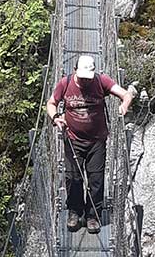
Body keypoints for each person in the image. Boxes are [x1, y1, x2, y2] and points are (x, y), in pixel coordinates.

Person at [46, 54, 133, 233]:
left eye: (88, 78)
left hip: (96, 141)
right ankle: (74, 212)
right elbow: (51, 103)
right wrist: (55, 117)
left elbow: (126, 94)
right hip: (73, 139)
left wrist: (124, 105)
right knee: (73, 177)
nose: (85, 81)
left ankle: (93, 215)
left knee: (96, 179)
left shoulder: (101, 81)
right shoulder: (65, 83)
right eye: (82, 77)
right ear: (75, 71)